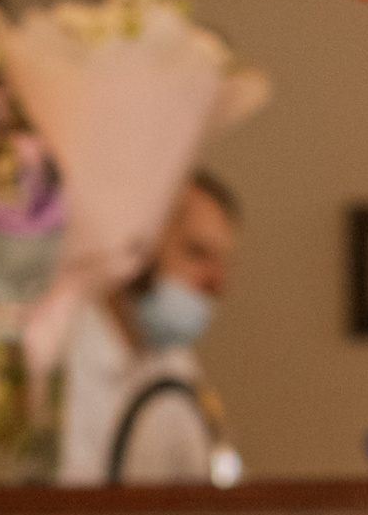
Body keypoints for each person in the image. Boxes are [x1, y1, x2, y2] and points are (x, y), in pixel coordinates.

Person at [57, 168, 243, 485]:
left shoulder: (176, 368)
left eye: (222, 261)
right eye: (197, 252)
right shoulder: (60, 355)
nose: (217, 284)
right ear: (137, 246)